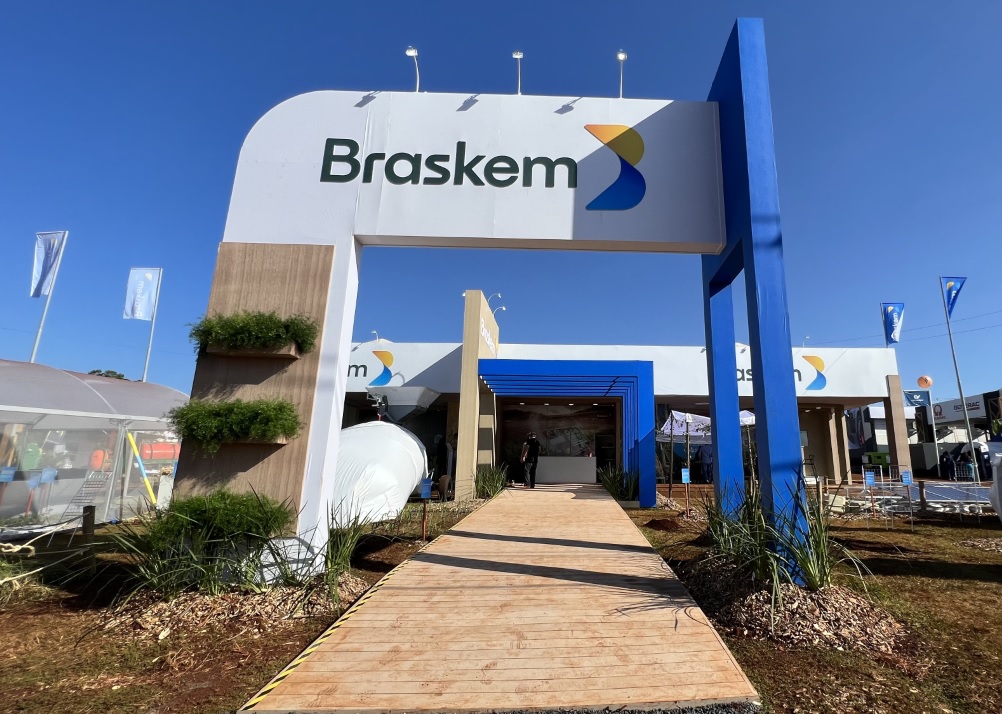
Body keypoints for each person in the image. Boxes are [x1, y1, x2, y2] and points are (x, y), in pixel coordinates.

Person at [434, 435, 451, 502]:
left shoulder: (440, 444)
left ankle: (439, 479)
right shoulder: (443, 444)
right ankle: (440, 479)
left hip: (440, 459)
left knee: (440, 469)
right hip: (442, 459)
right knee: (442, 469)